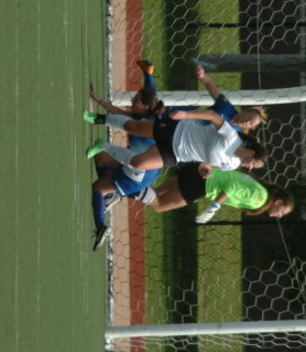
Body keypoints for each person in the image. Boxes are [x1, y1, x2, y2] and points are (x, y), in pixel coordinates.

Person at [89, 60, 164, 251]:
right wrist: (148, 74)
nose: (132, 102)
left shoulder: (147, 124)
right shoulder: (145, 114)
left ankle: (101, 226)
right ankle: (112, 193)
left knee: (97, 188)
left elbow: (122, 114)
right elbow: (148, 97)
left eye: (135, 101)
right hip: (138, 165)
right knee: (101, 157)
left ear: (145, 106)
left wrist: (98, 112)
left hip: (137, 174)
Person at [83, 108, 268, 177]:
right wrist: (186, 115)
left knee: (138, 163)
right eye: (253, 164)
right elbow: (212, 115)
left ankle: (102, 145)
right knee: (133, 127)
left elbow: (207, 164)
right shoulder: (232, 138)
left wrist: (204, 170)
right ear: (251, 152)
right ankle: (97, 118)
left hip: (176, 154)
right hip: (177, 130)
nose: (250, 167)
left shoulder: (232, 165)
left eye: (253, 168)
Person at [136, 162, 294, 222]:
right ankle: (127, 186)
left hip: (203, 170)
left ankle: (128, 181)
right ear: (279, 202)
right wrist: (213, 207)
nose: (279, 215)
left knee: (156, 192)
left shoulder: (261, 189)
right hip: (203, 184)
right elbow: (232, 187)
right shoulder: (260, 199)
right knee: (159, 205)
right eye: (282, 211)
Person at [194, 64, 268, 132]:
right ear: (246, 111)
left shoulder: (236, 135)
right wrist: (202, 76)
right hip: (189, 120)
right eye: (249, 117)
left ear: (250, 127)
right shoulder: (226, 106)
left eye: (250, 123)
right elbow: (210, 84)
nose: (247, 121)